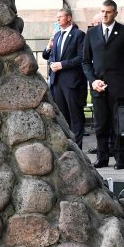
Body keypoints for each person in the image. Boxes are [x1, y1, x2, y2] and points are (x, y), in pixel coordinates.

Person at [82, 0, 124, 170]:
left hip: (120, 87)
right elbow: (85, 61)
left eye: (108, 12)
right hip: (99, 88)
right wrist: (93, 81)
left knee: (120, 124)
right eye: (102, 11)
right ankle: (102, 157)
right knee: (100, 125)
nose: (104, 15)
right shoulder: (92, 33)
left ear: (115, 13)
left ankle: (120, 158)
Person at [43, 8, 86, 147]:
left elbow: (81, 57)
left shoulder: (78, 35)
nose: (58, 19)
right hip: (57, 82)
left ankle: (78, 148)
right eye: (57, 17)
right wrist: (48, 48)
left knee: (76, 117)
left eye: (60, 16)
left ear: (69, 18)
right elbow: (48, 56)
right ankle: (67, 146)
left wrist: (62, 65)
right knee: (62, 117)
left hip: (72, 82)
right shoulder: (57, 36)